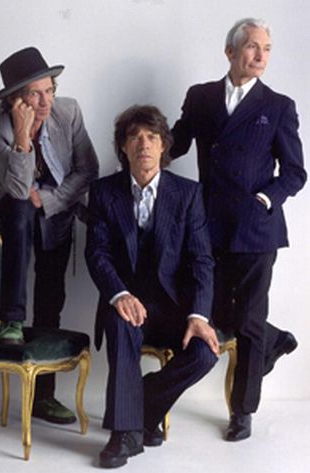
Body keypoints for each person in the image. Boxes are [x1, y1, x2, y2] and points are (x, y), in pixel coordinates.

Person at [170, 18, 306, 441]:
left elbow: (296, 172)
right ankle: (275, 339)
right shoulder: (201, 97)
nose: (261, 55)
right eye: (251, 46)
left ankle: (242, 410)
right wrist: (141, 149)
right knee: (206, 307)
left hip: (255, 229)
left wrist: (265, 199)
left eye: (267, 48)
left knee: (247, 321)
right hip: (208, 224)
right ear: (230, 52)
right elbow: (176, 142)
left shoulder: (278, 105)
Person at [85, 105, 219, 469]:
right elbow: (96, 253)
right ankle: (124, 435)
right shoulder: (103, 192)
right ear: (123, 147)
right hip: (127, 304)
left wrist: (198, 315)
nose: (143, 144)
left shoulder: (188, 194)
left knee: (205, 354)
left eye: (152, 137)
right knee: (120, 323)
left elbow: (202, 260)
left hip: (174, 308)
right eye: (134, 137)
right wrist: (119, 294)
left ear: (163, 146)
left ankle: (137, 407)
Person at [0, 47, 99, 424]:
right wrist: (22, 136)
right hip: (11, 210)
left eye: (50, 90)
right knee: (19, 207)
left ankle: (42, 397)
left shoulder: (68, 111)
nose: (46, 101)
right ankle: (11, 318)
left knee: (51, 299)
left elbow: (88, 170)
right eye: (35, 94)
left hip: (56, 210)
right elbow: (16, 188)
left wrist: (48, 199)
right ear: (15, 100)